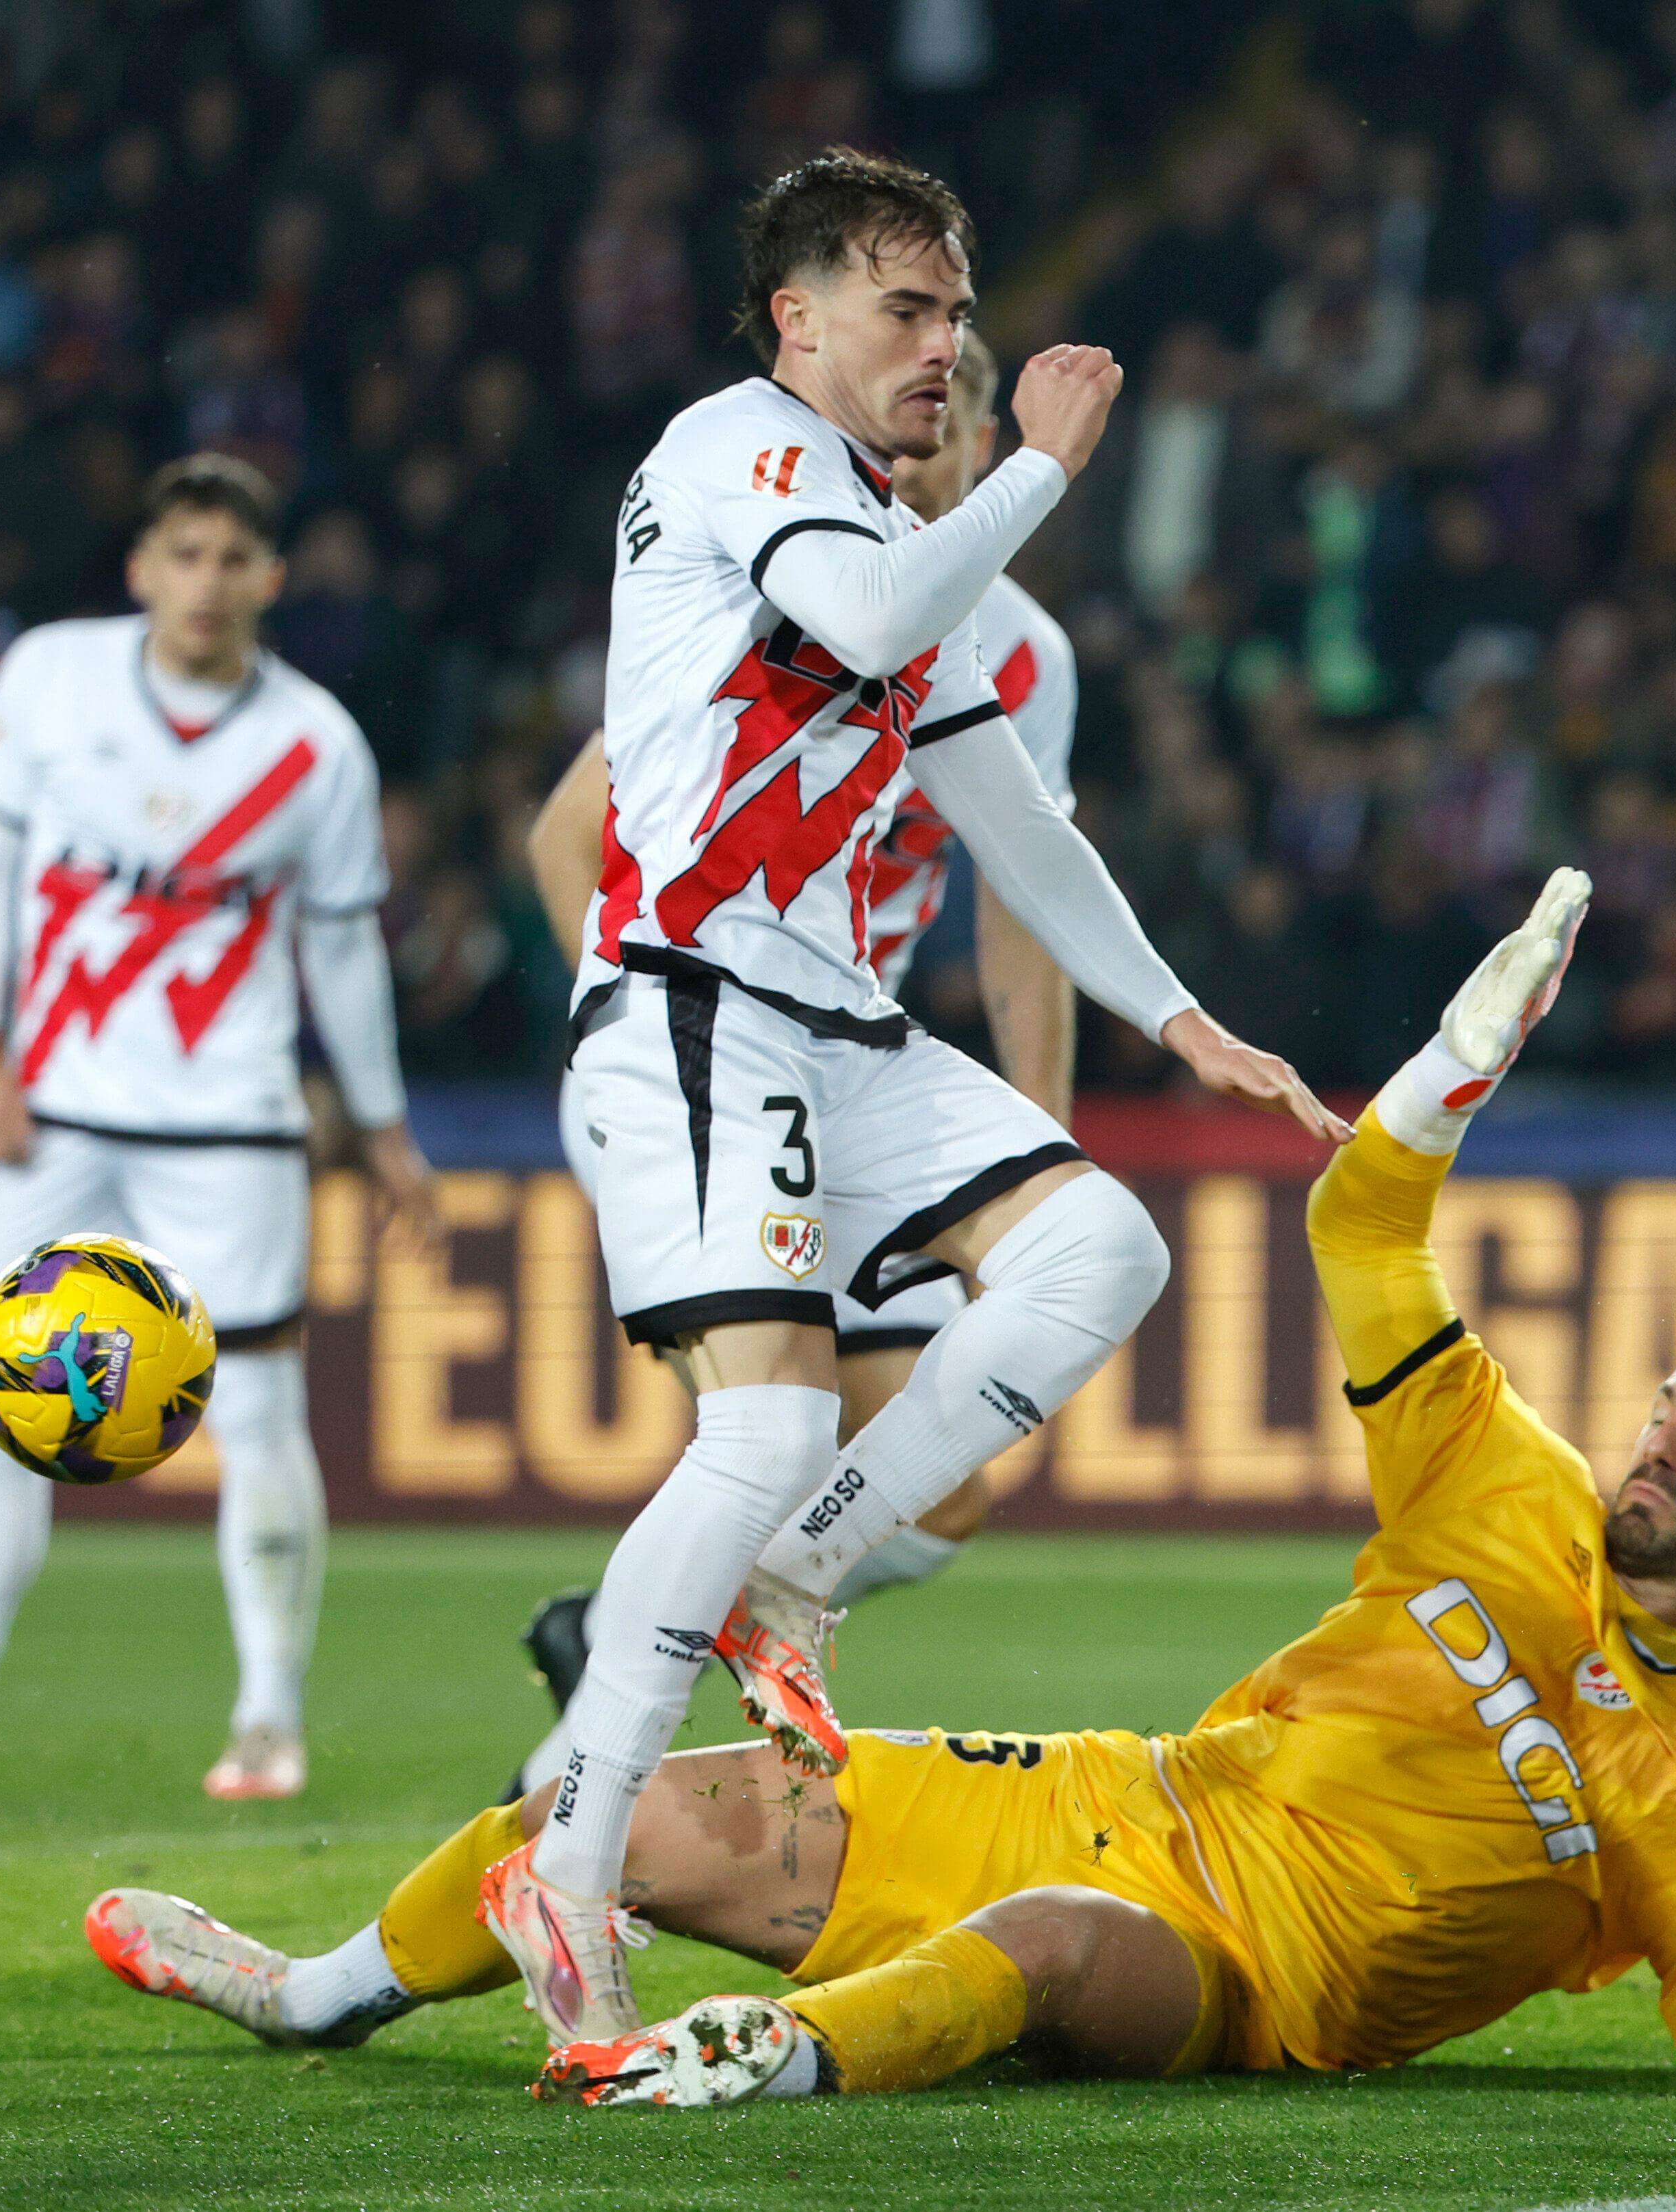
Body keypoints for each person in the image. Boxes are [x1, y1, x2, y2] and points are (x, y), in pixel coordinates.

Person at [81, 872, 1676, 2109]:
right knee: (616, 1824)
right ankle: (311, 1998)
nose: (1654, 1444)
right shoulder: (1499, 1476)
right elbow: (1359, 1221)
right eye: (1664, 1408)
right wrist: (1454, 1066)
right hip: (1133, 1791)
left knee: (1054, 1949)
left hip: (1263, 1983)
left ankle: (782, 2055)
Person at [501, 149, 1343, 2055]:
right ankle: (563, 1871)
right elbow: (873, 629)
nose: (946, 347)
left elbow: (1006, 815)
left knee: (1101, 1244)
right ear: (796, 319)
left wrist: (1179, 1015)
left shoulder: (892, 527)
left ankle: (805, 1566)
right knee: (765, 1414)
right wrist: (1044, 466)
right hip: (688, 992)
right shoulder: (735, 452)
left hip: (830, 1016)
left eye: (957, 312)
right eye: (907, 308)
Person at [0, 453, 437, 1805]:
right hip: (55, 1110)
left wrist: (381, 1128)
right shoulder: (51, 681)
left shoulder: (316, 746)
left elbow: (343, 956)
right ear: (143, 568)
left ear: (269, 579)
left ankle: (266, 1721)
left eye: (231, 559)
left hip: (229, 1125)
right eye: (182, 553)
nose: (205, 583)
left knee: (255, 1409)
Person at [495, 330, 1079, 1802]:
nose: (933, 453)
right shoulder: (779, 575)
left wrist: (1038, 1152)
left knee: (940, 1497)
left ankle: (625, 1651)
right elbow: (569, 836)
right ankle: (561, 1808)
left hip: (856, 1087)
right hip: (701, 1056)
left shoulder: (1022, 653)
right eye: (918, 422)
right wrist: (651, 1019)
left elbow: (1026, 920)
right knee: (771, 1440)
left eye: (962, 429)